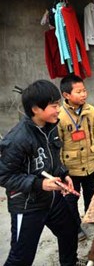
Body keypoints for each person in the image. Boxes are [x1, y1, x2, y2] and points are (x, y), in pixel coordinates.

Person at [0, 80, 79, 265]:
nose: (59, 109)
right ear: (36, 109)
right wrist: (39, 184)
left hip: (52, 199)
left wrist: (64, 173)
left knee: (70, 231)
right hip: (28, 205)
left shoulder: (50, 126)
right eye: (54, 106)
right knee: (21, 257)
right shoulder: (17, 139)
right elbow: (4, 176)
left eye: (58, 104)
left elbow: (53, 158)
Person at [58, 74, 94, 241]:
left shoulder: (90, 110)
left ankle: (92, 214)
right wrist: (60, 169)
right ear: (66, 95)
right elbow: (57, 144)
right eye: (78, 92)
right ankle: (76, 226)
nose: (83, 94)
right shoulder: (59, 116)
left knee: (91, 190)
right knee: (71, 197)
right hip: (70, 166)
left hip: (89, 161)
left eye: (84, 90)